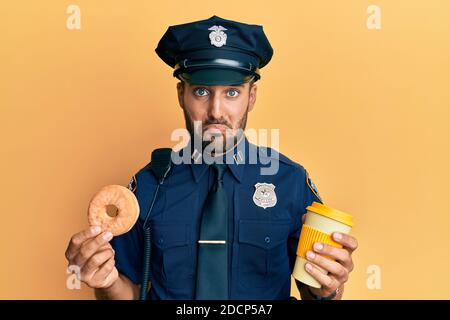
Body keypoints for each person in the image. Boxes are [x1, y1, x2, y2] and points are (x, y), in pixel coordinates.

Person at [65, 15, 358, 300]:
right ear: (181, 94)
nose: (216, 111)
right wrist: (104, 282)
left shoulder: (290, 182)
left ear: (251, 96)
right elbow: (127, 293)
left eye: (232, 92)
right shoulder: (148, 186)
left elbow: (315, 291)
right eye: (201, 91)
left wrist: (328, 288)